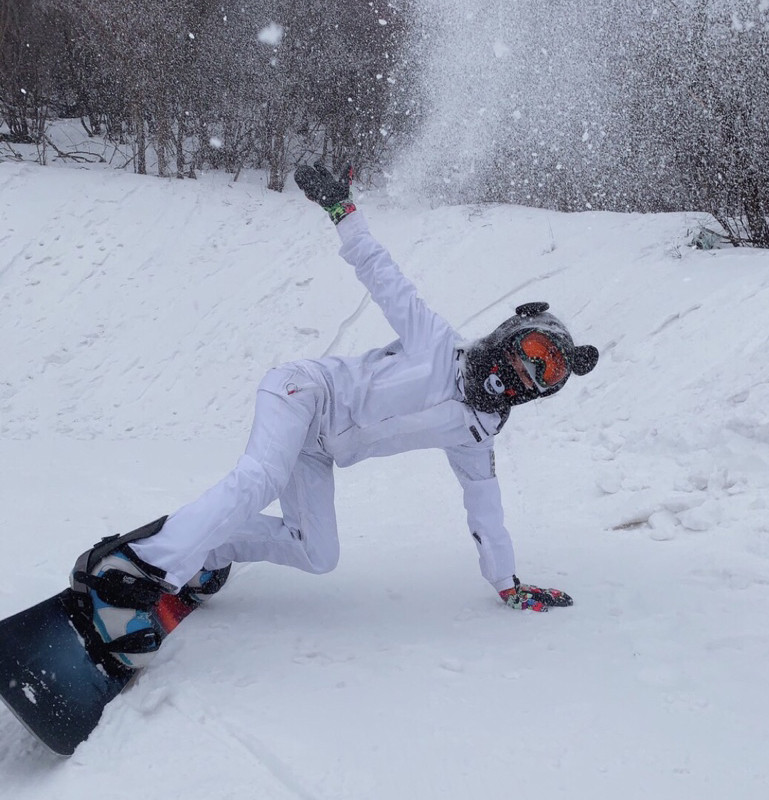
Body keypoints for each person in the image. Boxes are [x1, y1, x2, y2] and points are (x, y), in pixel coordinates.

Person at [70, 162, 599, 669]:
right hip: (305, 392)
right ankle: (135, 566)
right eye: (534, 351)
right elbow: (380, 271)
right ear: (510, 336)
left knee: (317, 552)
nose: (530, 371)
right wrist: (340, 209)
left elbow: (485, 509)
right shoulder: (436, 343)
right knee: (260, 478)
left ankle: (209, 553)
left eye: (547, 374)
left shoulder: (475, 434)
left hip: (317, 448)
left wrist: (507, 582)